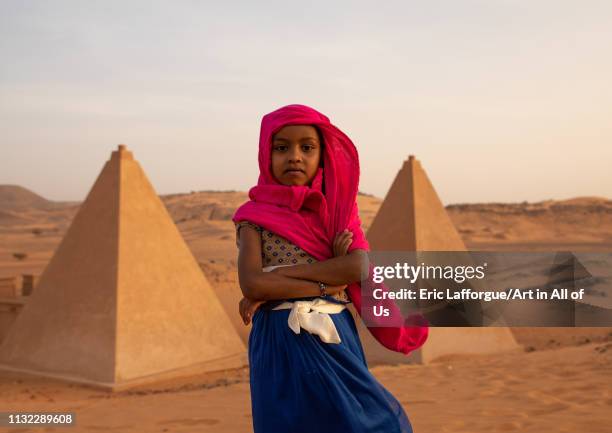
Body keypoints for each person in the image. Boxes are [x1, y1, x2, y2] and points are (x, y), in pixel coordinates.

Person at [233, 104, 428, 433]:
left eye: (307, 147)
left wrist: (278, 278)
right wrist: (330, 279)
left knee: (363, 422)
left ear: (323, 154)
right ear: (266, 154)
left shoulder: (337, 212)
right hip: (279, 339)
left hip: (334, 336)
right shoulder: (253, 216)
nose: (294, 156)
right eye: (281, 147)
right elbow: (252, 285)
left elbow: (358, 265)